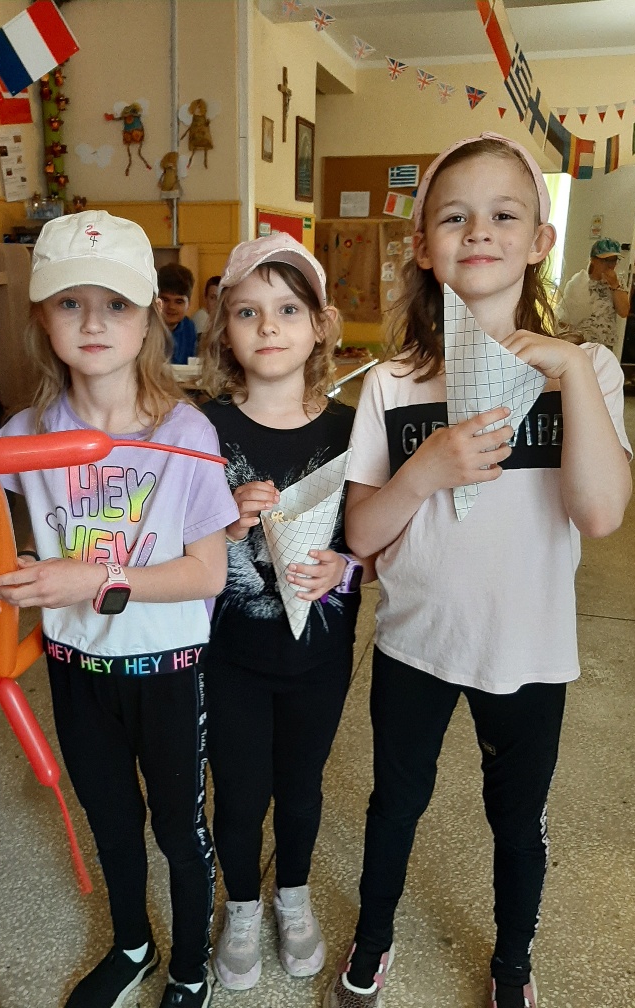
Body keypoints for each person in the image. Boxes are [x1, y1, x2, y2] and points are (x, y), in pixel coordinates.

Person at [323, 134, 632, 1008]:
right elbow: (361, 535)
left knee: (517, 821)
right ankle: (373, 939)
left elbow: (600, 515)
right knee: (395, 803)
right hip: (415, 642)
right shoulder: (394, 382)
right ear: (424, 246)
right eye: (454, 218)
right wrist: (427, 469)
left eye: (504, 214)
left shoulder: (589, 370)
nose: (480, 231)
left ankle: (512, 964)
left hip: (528, 650)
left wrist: (566, 367)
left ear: (540, 240)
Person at [0, 211, 239, 1008]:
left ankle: (188, 967)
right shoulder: (25, 433)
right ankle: (132, 945)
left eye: (115, 304)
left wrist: (89, 579)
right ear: (41, 317)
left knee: (179, 832)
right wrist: (4, 578)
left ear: (150, 316)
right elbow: (24, 546)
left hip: (167, 670)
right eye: (70, 303)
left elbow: (206, 573)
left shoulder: (186, 433)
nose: (93, 323)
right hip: (74, 667)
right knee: (112, 822)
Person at [198, 233, 371, 992]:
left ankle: (291, 895)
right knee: (237, 791)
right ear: (225, 329)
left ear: (321, 325)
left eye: (289, 309)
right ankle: (241, 904)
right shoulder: (202, 429)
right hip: (228, 656)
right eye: (248, 311)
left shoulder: (352, 428)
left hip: (318, 659)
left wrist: (347, 564)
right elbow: (172, 540)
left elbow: (373, 531)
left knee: (301, 786)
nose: (269, 326)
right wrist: (225, 523)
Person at [556, 237, 630, 351]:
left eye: (614, 260)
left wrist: (615, 285)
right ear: (593, 260)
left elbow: (624, 312)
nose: (610, 265)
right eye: (606, 260)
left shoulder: (618, 282)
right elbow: (564, 318)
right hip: (580, 344)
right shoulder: (579, 281)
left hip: (604, 346)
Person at [157, 262, 199, 364]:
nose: (171, 307)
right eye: (165, 300)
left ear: (189, 304)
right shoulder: (145, 328)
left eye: (179, 302)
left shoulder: (189, 328)